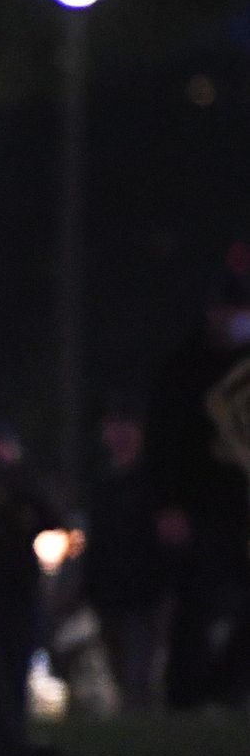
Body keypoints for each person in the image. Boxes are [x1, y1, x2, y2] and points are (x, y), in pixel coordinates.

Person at [145, 267, 250, 709]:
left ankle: (227, 685)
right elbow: (163, 442)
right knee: (195, 606)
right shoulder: (182, 368)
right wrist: (167, 504)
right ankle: (186, 697)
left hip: (242, 504)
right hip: (199, 506)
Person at [85, 408, 170, 710]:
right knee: (120, 667)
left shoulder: (154, 481)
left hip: (146, 590)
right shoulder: (104, 484)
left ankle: (142, 721)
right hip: (111, 593)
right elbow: (96, 540)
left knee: (139, 670)